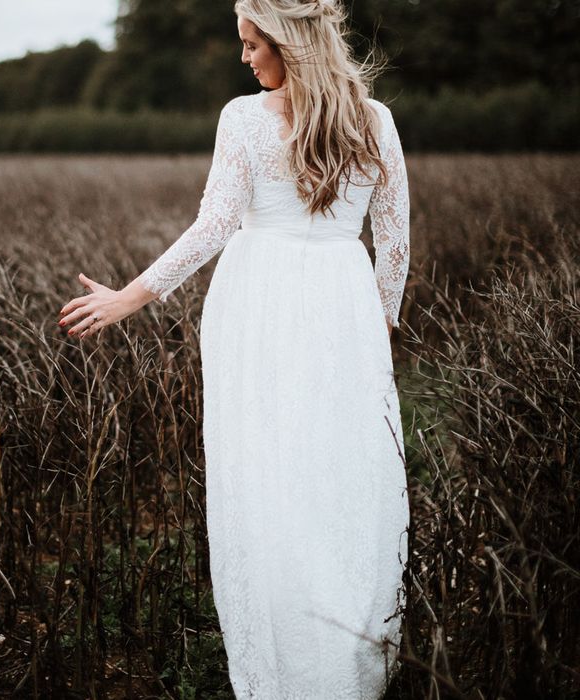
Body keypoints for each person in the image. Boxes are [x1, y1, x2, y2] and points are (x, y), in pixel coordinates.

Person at [58, 0, 411, 696]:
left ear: (289, 42)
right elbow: (393, 243)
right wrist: (377, 334)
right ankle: (344, 656)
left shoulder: (244, 118)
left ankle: (284, 664)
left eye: (253, 45)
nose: (245, 59)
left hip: (260, 304)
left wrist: (128, 297)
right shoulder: (377, 120)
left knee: (266, 477)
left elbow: (215, 224)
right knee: (340, 475)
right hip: (344, 303)